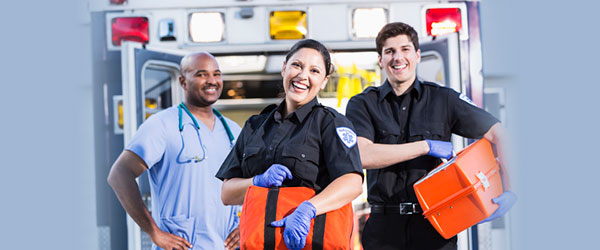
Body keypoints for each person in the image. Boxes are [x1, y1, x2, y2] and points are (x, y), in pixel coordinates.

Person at [345, 22, 517, 250]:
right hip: (383, 229)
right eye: (390, 51)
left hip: (436, 225)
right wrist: (425, 146)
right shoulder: (363, 104)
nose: (398, 58)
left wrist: (510, 188)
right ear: (381, 59)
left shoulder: (443, 99)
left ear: (417, 55)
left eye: (405, 50)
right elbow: (363, 155)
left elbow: (500, 134)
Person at [215, 39, 364, 250]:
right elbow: (227, 194)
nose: (303, 76)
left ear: (323, 81)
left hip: (311, 242)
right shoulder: (255, 126)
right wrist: (257, 181)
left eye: (314, 71)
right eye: (297, 65)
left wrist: (308, 209)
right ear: (284, 68)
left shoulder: (330, 123)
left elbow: (352, 182)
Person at [107, 52, 241, 250]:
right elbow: (119, 175)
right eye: (201, 74)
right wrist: (154, 232)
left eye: (217, 74)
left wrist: (244, 225)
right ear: (183, 81)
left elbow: (249, 188)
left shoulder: (234, 131)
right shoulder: (162, 125)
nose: (212, 81)